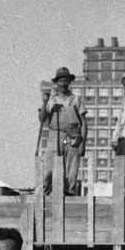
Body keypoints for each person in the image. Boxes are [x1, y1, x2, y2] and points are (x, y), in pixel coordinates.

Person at [39, 67, 87, 196]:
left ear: (69, 82)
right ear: (57, 82)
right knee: (49, 165)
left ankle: (69, 193)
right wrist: (44, 103)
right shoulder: (51, 100)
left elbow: (83, 122)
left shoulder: (76, 99)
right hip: (55, 135)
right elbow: (42, 118)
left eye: (66, 81)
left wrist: (83, 143)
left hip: (71, 135)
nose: (63, 84)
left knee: (71, 165)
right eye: (61, 81)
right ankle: (45, 192)